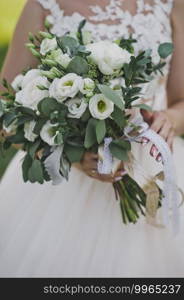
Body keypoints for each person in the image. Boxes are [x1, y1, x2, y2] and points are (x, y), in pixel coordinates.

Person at [0, 0, 184, 277]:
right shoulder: (43, 6)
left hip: (152, 166)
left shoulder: (171, 5)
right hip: (62, 189)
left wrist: (170, 118)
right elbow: (6, 109)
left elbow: (181, 100)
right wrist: (68, 155)